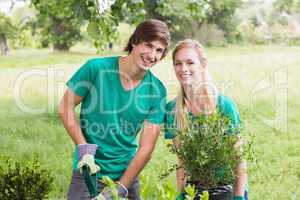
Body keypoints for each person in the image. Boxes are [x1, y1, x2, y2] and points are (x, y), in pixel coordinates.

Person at [58, 19, 170, 200]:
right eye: (148, 45)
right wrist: (84, 148)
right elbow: (65, 107)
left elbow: (146, 149)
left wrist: (121, 188)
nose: (152, 55)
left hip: (126, 175)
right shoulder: (95, 69)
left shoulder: (156, 91)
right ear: (135, 41)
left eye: (159, 50)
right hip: (89, 169)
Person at [163, 39, 248, 200]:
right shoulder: (172, 110)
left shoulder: (223, 105)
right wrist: (181, 193)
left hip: (226, 187)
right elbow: (182, 162)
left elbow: (239, 158)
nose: (183, 69)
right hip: (195, 188)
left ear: (202, 65)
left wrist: (238, 196)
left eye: (190, 63)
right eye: (178, 63)